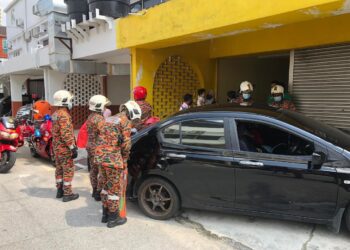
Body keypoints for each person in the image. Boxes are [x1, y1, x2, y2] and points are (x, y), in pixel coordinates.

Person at [97, 101, 139, 228]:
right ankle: (113, 219)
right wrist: (125, 159)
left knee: (104, 187)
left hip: (100, 158)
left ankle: (105, 214)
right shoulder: (125, 121)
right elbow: (126, 145)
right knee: (114, 190)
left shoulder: (109, 118)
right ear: (131, 112)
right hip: (113, 160)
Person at [52, 90, 79, 202]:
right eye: (70, 100)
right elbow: (66, 133)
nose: (71, 102)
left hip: (57, 148)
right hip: (64, 148)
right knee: (68, 169)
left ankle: (60, 190)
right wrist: (72, 148)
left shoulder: (55, 113)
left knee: (59, 169)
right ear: (64, 101)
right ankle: (67, 194)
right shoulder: (64, 115)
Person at [86, 95, 112, 201]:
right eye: (104, 106)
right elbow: (105, 134)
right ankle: (98, 191)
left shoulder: (90, 116)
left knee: (93, 169)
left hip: (90, 146)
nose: (105, 108)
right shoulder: (100, 119)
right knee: (101, 170)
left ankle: (94, 190)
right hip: (98, 148)